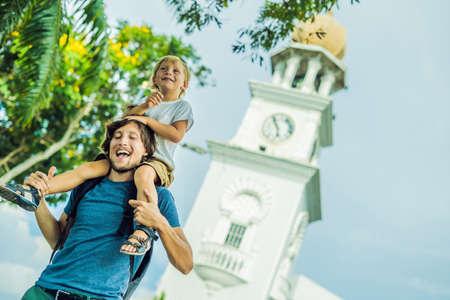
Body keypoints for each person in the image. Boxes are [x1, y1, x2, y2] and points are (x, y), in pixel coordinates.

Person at [0, 55, 194, 255]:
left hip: (157, 161)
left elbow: (176, 135)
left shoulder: (182, 107)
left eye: (175, 71)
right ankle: (37, 191)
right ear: (154, 78)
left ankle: (143, 229)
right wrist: (144, 108)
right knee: (87, 169)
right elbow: (125, 122)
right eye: (163, 69)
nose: (168, 72)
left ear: (184, 85)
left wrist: (148, 122)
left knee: (142, 176)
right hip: (131, 156)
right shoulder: (147, 102)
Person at [21, 118, 193, 300]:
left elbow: (185, 264)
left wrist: (159, 222)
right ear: (110, 146)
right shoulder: (86, 186)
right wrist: (37, 201)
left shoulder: (159, 197)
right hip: (45, 292)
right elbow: (58, 239)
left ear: (146, 152)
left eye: (132, 137)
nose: (122, 141)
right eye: (117, 137)